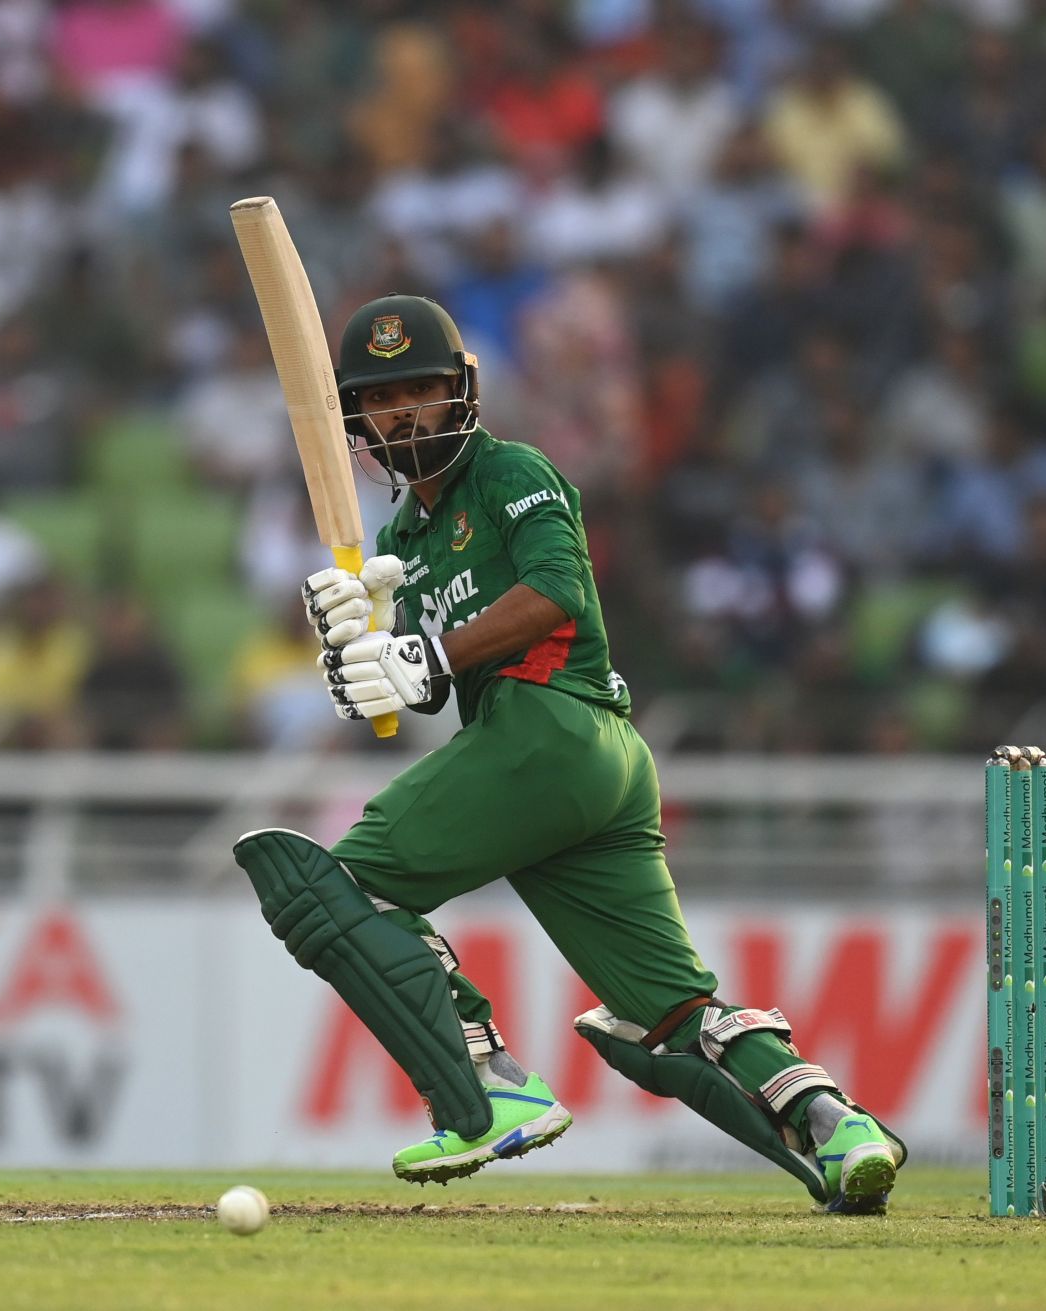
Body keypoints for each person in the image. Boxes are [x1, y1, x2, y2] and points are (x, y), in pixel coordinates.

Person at [232, 296, 906, 1212]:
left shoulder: (513, 472)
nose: (404, 415)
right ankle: (836, 1128)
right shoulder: (400, 541)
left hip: (553, 728)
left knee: (338, 892)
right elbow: (425, 685)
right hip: (583, 770)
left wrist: (424, 651)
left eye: (422, 390)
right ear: (356, 419)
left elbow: (555, 592)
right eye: (382, 399)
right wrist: (368, 661)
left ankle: (486, 1081)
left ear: (462, 392)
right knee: (666, 1015)